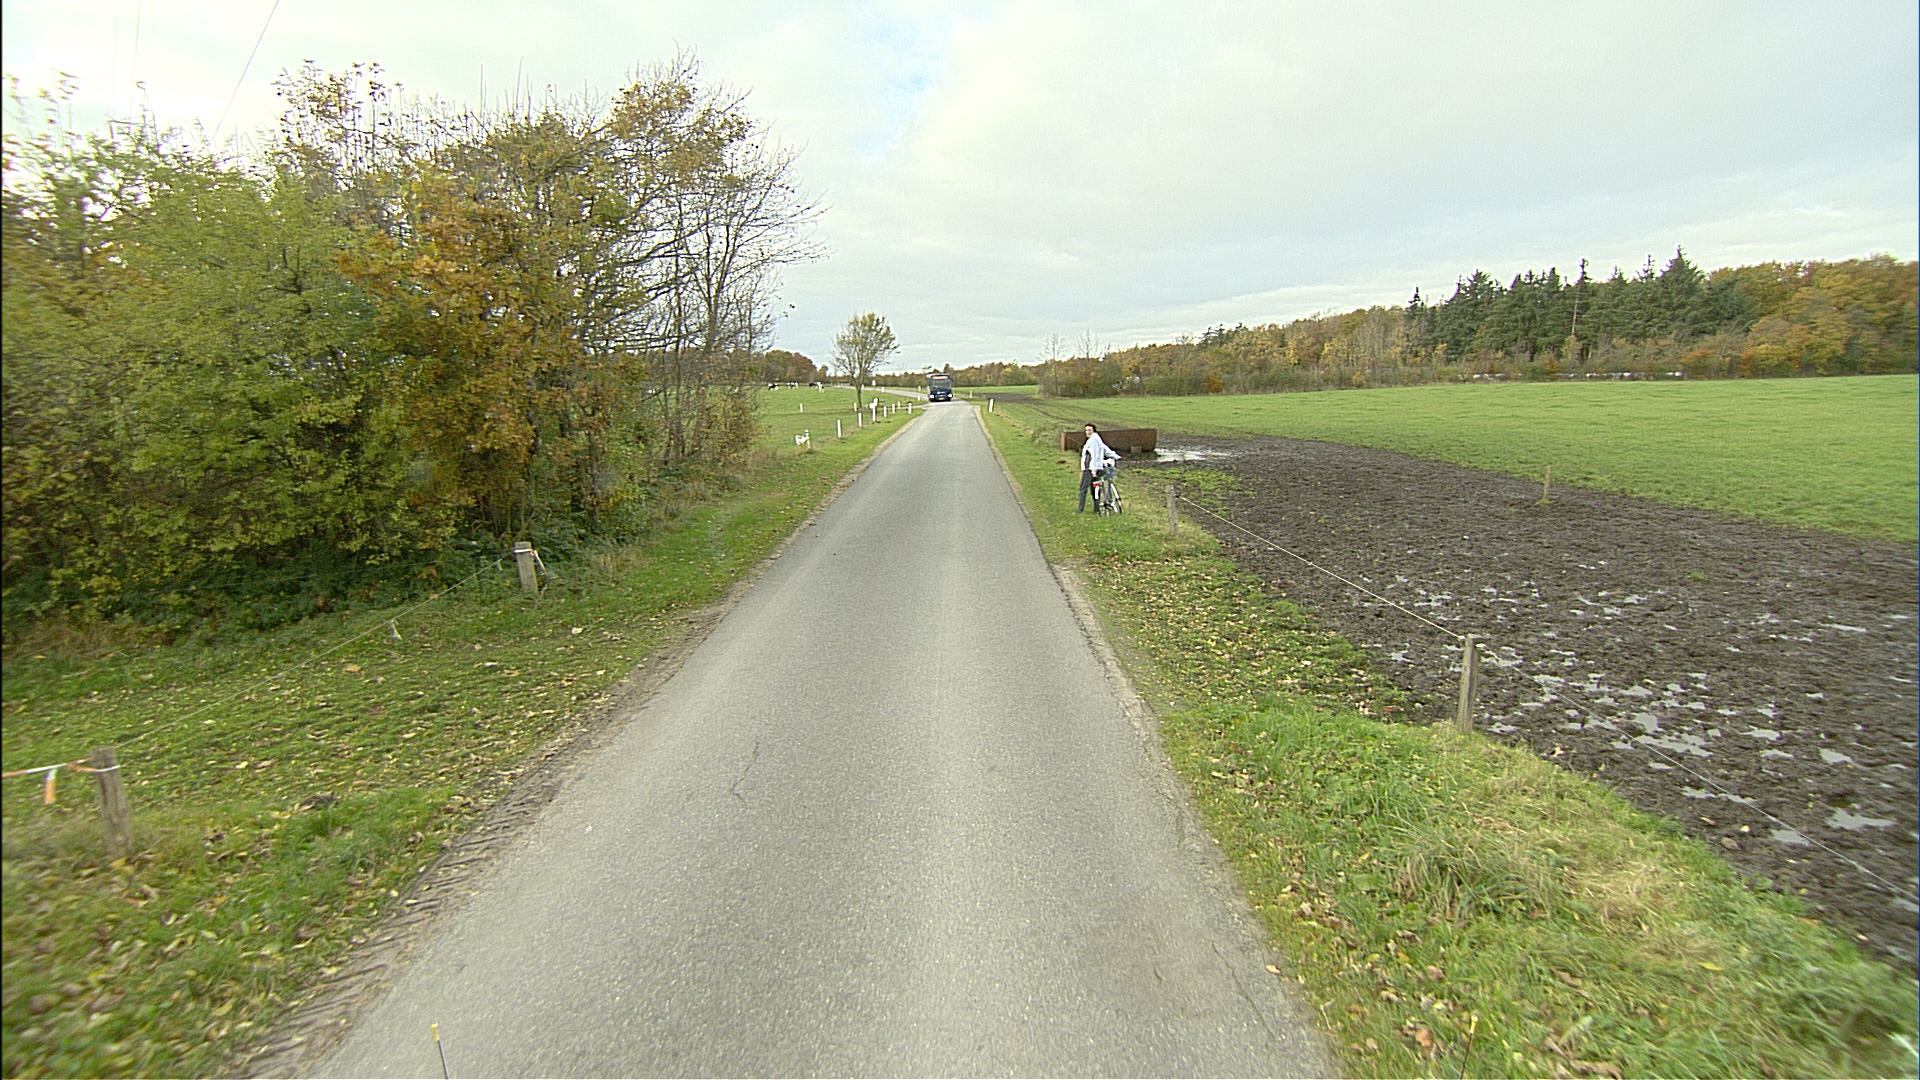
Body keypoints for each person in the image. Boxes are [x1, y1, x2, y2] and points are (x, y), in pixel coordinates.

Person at [1078, 423, 1117, 512]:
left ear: (1093, 431)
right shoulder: (1097, 439)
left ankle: (1080, 510)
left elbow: (1095, 456)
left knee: (1083, 489)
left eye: (1089, 430)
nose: (1087, 432)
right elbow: (1105, 450)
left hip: (1089, 468)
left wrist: (1093, 470)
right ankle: (1096, 509)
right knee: (1095, 489)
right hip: (1097, 467)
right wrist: (1115, 456)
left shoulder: (1093, 441)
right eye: (1086, 430)